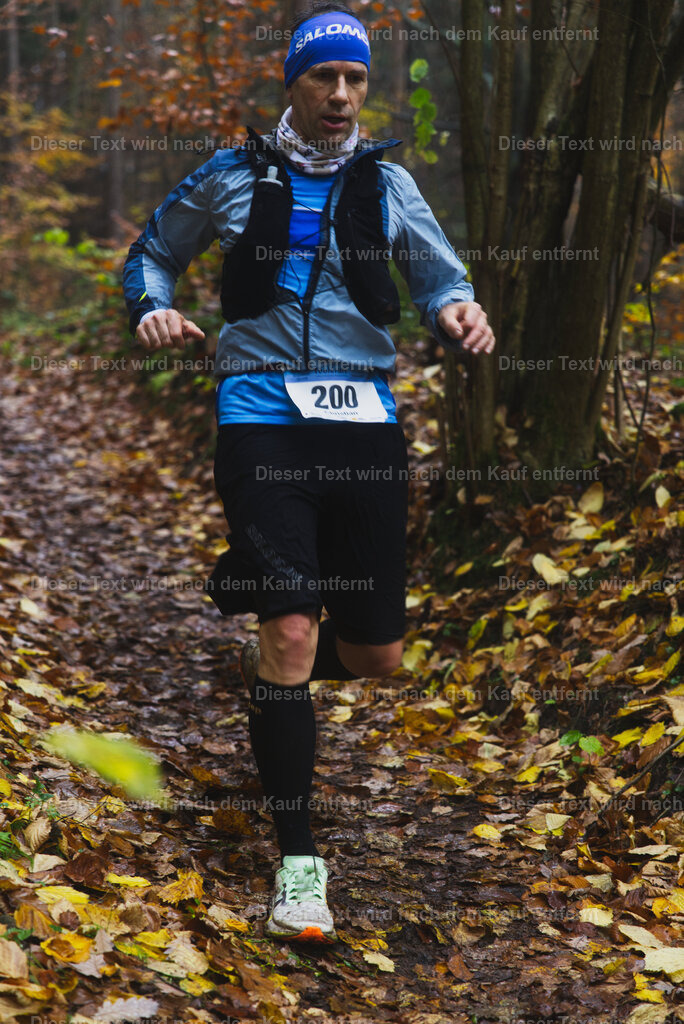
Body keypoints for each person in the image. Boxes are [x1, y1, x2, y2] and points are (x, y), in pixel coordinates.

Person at [123, 0, 495, 945]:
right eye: (323, 76)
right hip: (259, 417)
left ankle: (269, 657)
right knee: (293, 630)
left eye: (355, 78)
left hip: (364, 422)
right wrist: (152, 309)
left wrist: (459, 311)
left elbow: (441, 278)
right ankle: (299, 867)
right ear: (292, 82)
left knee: (376, 658)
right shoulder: (231, 173)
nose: (340, 93)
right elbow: (152, 254)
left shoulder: (388, 183)